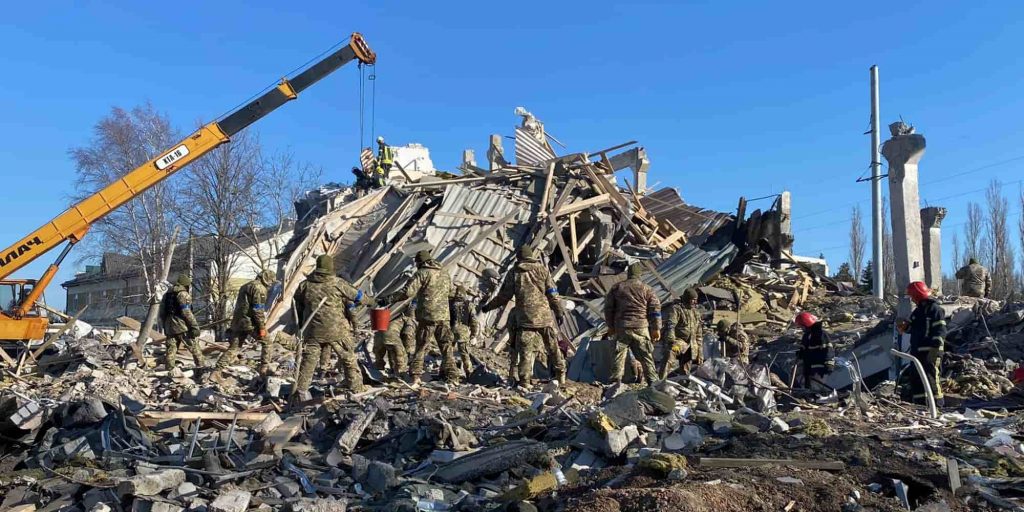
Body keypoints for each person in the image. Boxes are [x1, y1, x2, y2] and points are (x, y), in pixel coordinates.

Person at [482, 246, 566, 387]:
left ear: (518, 257)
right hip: (544, 317)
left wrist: (488, 307)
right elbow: (553, 293)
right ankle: (561, 375)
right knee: (553, 348)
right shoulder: (543, 270)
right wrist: (559, 311)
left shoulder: (514, 272)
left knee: (525, 351)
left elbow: (504, 296)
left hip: (525, 319)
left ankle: (525, 381)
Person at [291, 255, 365, 403]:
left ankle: (300, 392)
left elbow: (296, 306)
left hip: (313, 330)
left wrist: (300, 325)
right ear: (331, 267)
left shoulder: (305, 285)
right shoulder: (338, 283)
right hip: (337, 331)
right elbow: (358, 297)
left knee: (308, 361)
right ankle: (356, 388)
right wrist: (372, 301)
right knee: (348, 358)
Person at [389, 250, 455, 385]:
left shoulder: (422, 273)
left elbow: (408, 292)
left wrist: (389, 298)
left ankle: (416, 376)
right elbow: (451, 293)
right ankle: (453, 378)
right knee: (446, 347)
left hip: (428, 317)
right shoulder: (445, 273)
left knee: (421, 347)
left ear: (419, 262)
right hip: (444, 317)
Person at [605, 263, 661, 385]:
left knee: (618, 356)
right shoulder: (647, 289)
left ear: (629, 273)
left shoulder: (617, 288)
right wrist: (656, 329)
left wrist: (610, 326)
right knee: (646, 356)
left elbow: (608, 309)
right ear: (640, 274)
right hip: (641, 327)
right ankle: (653, 383)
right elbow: (655, 310)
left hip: (622, 327)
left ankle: (615, 384)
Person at [213, 269, 276, 378]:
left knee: (234, 348)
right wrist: (261, 327)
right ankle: (264, 369)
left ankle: (217, 371)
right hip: (249, 323)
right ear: (267, 279)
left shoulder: (245, 286)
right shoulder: (260, 288)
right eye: (271, 281)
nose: (271, 284)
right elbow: (258, 310)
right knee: (268, 342)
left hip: (238, 322)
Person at [903, 281, 946, 407]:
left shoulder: (935, 309)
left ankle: (937, 407)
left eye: (912, 297)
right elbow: (912, 328)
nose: (912, 300)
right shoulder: (917, 312)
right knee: (916, 379)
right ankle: (920, 406)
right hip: (917, 352)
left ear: (916, 295)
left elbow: (940, 330)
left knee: (931, 378)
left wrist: (935, 348)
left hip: (930, 351)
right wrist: (904, 327)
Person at [161, 274, 205, 371]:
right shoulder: (183, 294)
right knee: (194, 347)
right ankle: (202, 368)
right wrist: (194, 326)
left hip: (169, 325)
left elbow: (162, 312)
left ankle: (169, 369)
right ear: (186, 285)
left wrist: (164, 325)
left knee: (171, 349)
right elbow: (187, 312)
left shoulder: (167, 294)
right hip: (182, 325)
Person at [659, 288, 703, 378]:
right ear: (687, 298)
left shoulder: (696, 313)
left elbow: (699, 334)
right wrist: (671, 340)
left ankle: (683, 385)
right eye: (693, 299)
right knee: (669, 357)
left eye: (696, 300)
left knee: (686, 370)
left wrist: (700, 352)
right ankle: (661, 381)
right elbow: (671, 324)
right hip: (678, 342)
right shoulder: (677, 309)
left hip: (691, 345)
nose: (695, 302)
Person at [373, 307, 415, 379]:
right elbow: (408, 335)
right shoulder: (407, 320)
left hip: (378, 338)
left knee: (380, 359)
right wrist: (407, 350)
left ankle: (378, 374)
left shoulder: (388, 316)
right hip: (391, 337)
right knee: (401, 357)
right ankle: (399, 377)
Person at [795, 312, 833, 388]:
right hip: (808, 367)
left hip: (819, 366)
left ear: (806, 324)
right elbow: (804, 348)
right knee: (808, 387)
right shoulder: (806, 336)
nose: (801, 329)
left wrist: (829, 363)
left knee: (817, 387)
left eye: (802, 326)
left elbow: (828, 349)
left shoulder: (821, 334)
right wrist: (800, 354)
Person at [450, 283, 479, 377]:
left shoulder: (450, 303)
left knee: (448, 353)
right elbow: (474, 321)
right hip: (463, 331)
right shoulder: (469, 305)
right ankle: (469, 373)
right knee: (464, 354)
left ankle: (445, 372)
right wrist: (474, 335)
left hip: (450, 330)